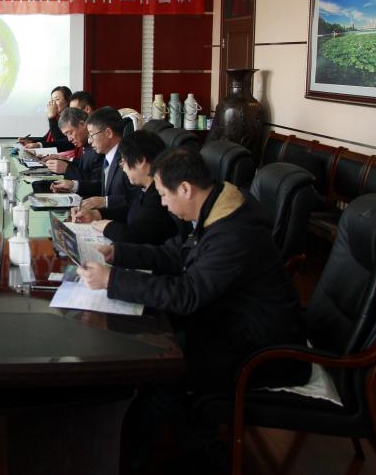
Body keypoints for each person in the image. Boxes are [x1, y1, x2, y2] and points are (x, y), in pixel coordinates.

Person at [77, 146, 305, 393]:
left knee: (150, 366)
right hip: (225, 319)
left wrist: (112, 280)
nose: (163, 203)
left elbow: (188, 294)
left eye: (164, 194)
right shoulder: (216, 204)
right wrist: (119, 253)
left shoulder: (233, 234)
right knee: (137, 331)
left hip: (257, 349)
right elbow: (176, 253)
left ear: (185, 189)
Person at [74, 130, 181, 246]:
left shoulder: (160, 196)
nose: (123, 167)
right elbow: (130, 211)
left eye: (124, 161)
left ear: (141, 161)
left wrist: (107, 226)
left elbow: (138, 237)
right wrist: (96, 214)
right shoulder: (144, 188)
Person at [50, 106, 131, 216]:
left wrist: (103, 206)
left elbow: (135, 200)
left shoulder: (128, 159)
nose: (89, 140)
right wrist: (73, 186)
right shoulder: (108, 155)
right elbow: (101, 185)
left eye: (92, 135)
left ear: (108, 133)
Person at [43, 106, 103, 181]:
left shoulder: (98, 147)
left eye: (70, 133)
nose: (69, 139)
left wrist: (66, 169)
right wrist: (64, 160)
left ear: (82, 124)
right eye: (66, 135)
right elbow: (83, 165)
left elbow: (96, 182)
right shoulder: (86, 145)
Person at [18, 86, 75, 152]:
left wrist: (51, 117)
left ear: (68, 101)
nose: (53, 103)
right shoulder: (58, 117)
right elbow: (46, 138)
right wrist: (31, 141)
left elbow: (58, 141)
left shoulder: (71, 118)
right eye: (52, 100)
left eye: (57, 99)